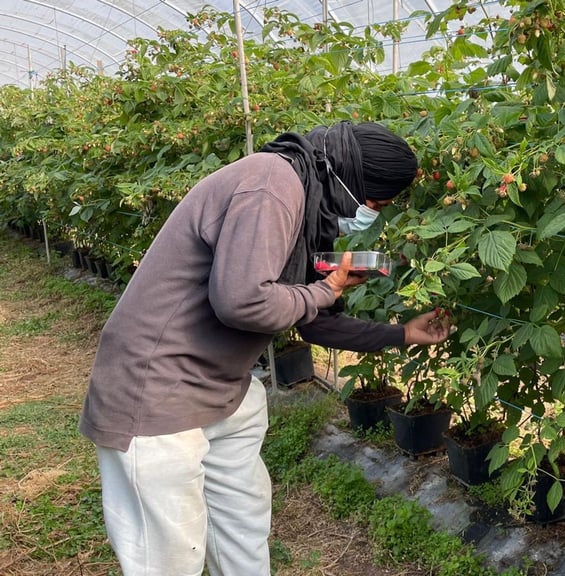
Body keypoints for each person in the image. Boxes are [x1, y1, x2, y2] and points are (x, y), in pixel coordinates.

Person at [78, 121, 452, 576]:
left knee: (242, 530)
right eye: (375, 203)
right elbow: (242, 301)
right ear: (350, 178)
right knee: (169, 555)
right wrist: (324, 291)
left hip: (222, 391)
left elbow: (314, 322)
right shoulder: (272, 183)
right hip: (156, 393)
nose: (371, 214)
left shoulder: (309, 205)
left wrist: (403, 334)